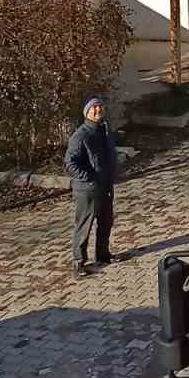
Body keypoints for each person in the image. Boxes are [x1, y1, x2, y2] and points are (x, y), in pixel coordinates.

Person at [65, 97, 119, 275]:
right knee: (84, 225)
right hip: (87, 190)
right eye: (93, 108)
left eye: (100, 107)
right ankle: (79, 262)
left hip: (105, 186)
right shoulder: (81, 135)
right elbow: (70, 163)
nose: (98, 110)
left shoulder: (104, 130)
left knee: (106, 222)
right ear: (86, 113)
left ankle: (103, 254)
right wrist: (88, 177)